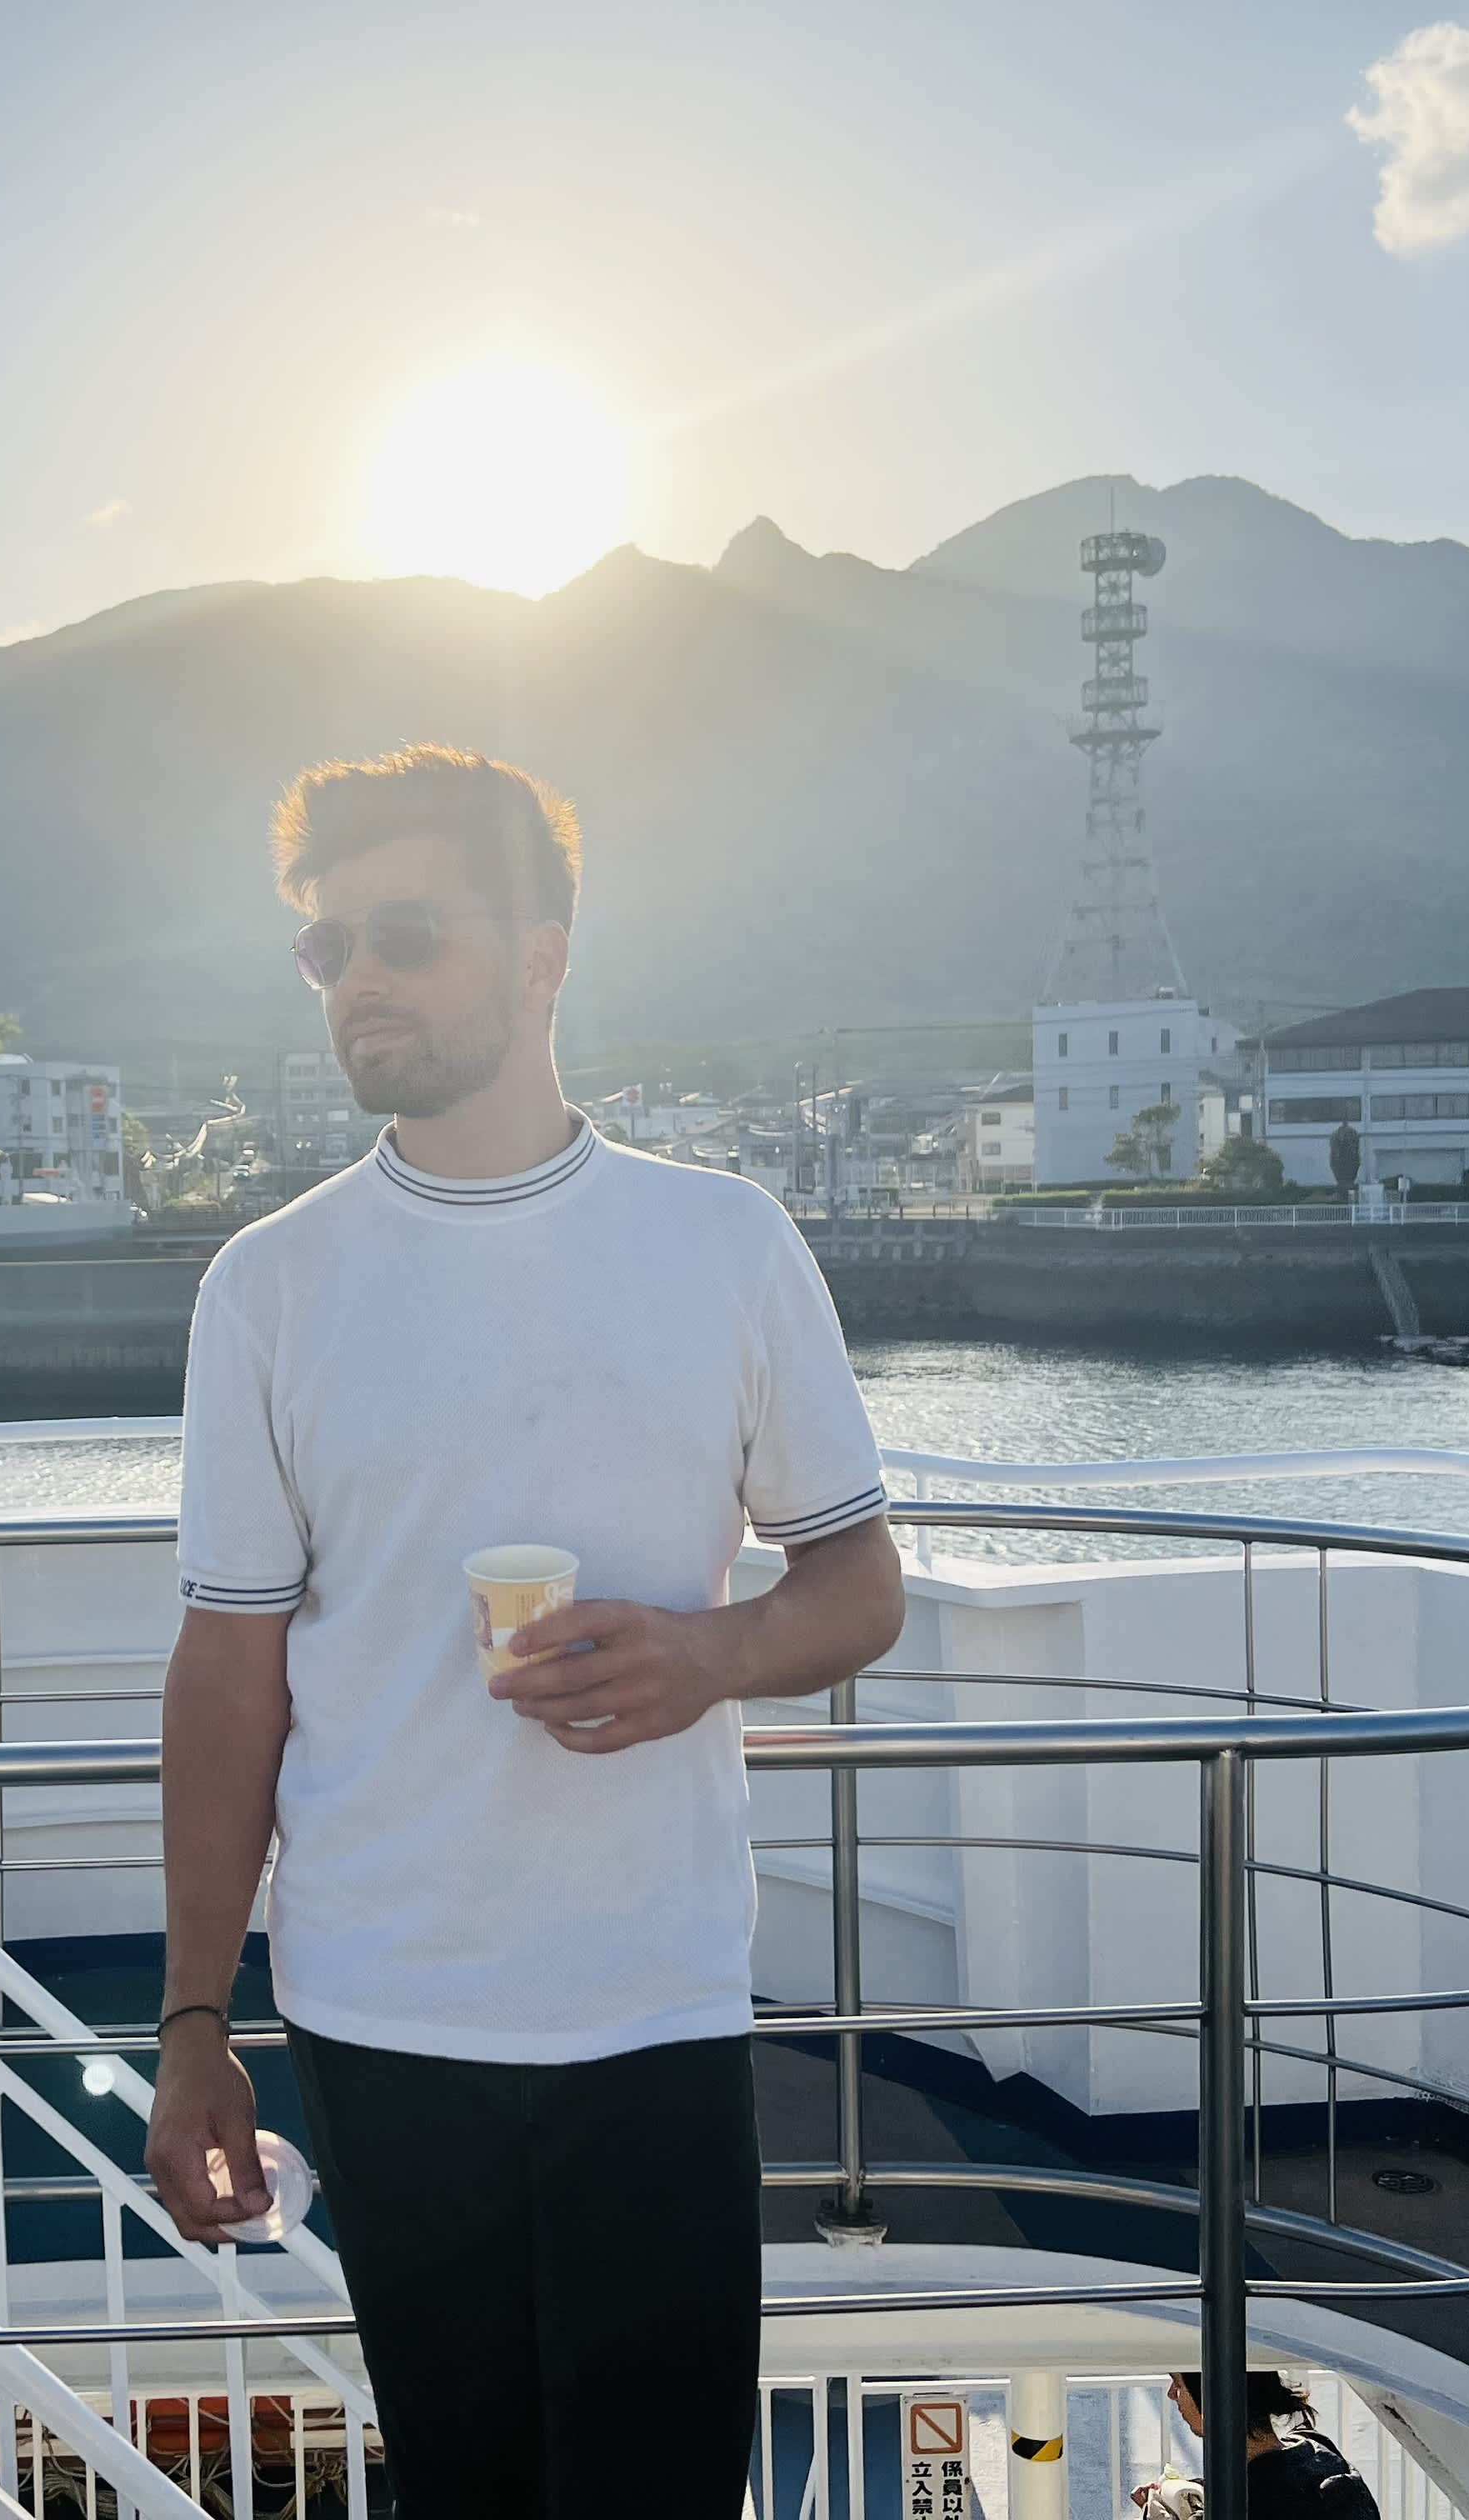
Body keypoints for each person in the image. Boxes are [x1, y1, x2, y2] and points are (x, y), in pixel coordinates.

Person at [142, 745, 908, 2514]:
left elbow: (855, 1585)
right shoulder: (268, 1286)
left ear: (546, 956)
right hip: (381, 2005)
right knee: (467, 2487)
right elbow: (229, 1670)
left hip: (652, 1993)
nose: (362, 981)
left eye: (406, 932)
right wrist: (198, 2019)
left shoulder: (721, 1243)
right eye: (327, 950)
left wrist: (709, 1655)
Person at [1134, 2371, 1382, 2518]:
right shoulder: (1317, 2449)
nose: (1171, 2393)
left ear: (1214, 2397)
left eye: (1178, 2384)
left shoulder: (1248, 2503)